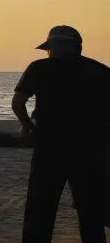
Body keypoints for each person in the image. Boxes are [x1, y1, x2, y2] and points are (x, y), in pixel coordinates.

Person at [13, 26, 110, 242]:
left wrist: (27, 126)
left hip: (49, 147)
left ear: (56, 46)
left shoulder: (39, 68)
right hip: (90, 150)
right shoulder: (100, 70)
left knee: (40, 210)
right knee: (91, 213)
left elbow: (18, 102)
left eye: (49, 48)